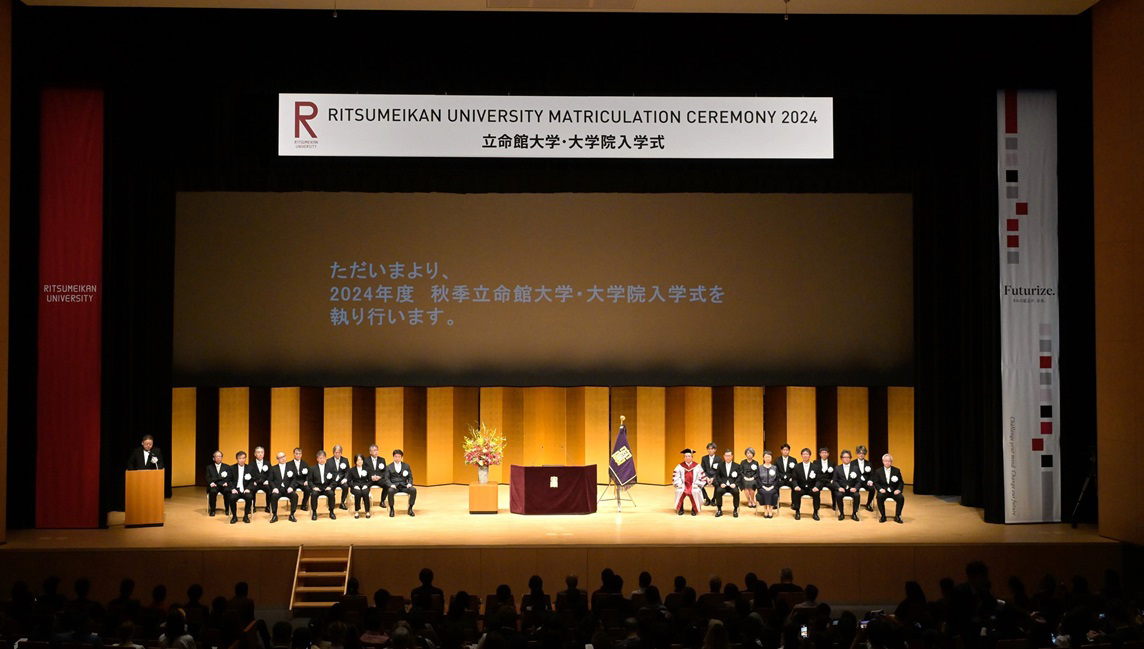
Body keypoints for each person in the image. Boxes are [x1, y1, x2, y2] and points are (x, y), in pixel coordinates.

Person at [268, 450, 299, 523]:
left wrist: (291, 487)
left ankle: (292, 514)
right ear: (278, 459)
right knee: (273, 496)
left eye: (284, 456)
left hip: (288, 489)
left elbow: (294, 479)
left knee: (295, 496)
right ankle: (275, 515)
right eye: (281, 457)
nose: (283, 458)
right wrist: (274, 488)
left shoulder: (291, 467)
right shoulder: (273, 468)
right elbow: (270, 480)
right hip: (278, 489)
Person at [873, 453, 905, 523]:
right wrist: (880, 489)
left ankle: (897, 516)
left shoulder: (896, 470)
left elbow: (901, 482)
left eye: (889, 461)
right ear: (883, 461)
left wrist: (899, 490)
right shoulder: (878, 471)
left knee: (901, 498)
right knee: (879, 497)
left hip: (894, 491)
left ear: (891, 462)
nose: (887, 462)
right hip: (883, 491)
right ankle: (883, 516)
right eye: (886, 461)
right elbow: (876, 482)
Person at [384, 449, 417, 516]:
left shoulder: (406, 466)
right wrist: (390, 485)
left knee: (413, 490)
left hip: (404, 486)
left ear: (401, 457)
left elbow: (410, 477)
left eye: (399, 457)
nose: (397, 458)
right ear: (393, 457)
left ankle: (410, 508)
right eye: (395, 456)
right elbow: (386, 479)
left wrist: (410, 483)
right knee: (390, 491)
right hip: (394, 486)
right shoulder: (389, 467)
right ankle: (392, 509)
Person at [831, 449, 861, 521]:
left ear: (850, 458)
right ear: (841, 458)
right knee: (838, 495)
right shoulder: (837, 468)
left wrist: (855, 488)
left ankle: (854, 513)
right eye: (845, 457)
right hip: (842, 489)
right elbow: (835, 481)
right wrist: (839, 488)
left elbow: (859, 481)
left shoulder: (855, 468)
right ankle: (841, 513)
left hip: (852, 489)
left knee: (857, 495)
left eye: (848, 457)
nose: (846, 459)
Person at [792, 448, 821, 521]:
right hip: (801, 487)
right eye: (804, 454)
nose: (805, 456)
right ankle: (797, 512)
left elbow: (819, 480)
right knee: (796, 492)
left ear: (810, 456)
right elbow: (794, 479)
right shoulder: (797, 466)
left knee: (817, 493)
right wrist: (796, 486)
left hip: (811, 487)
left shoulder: (815, 467)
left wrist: (816, 487)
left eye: (807, 454)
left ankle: (815, 512)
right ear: (801, 455)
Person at [673, 448, 704, 516]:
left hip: (693, 485)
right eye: (686, 456)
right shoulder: (679, 466)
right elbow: (676, 476)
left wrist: (697, 484)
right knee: (679, 491)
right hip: (683, 485)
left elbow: (701, 477)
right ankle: (680, 508)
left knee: (695, 491)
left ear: (692, 457)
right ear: (684, 457)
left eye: (689, 456)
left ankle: (694, 509)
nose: (687, 458)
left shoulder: (697, 466)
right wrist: (678, 484)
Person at [227, 450, 255, 524]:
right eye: (240, 458)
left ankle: (246, 516)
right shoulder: (231, 468)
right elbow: (229, 480)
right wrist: (232, 489)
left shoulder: (250, 468)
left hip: (245, 489)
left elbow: (252, 480)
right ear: (237, 459)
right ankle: (234, 516)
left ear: (245, 459)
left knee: (249, 497)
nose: (242, 460)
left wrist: (248, 488)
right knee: (232, 498)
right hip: (236, 489)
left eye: (243, 458)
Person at [308, 450, 337, 520]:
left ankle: (331, 511)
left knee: (331, 494)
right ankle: (314, 512)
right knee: (314, 494)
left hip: (327, 487)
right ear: (317, 459)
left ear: (326, 458)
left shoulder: (330, 468)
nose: (322, 459)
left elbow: (334, 480)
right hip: (317, 488)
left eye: (323, 458)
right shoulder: (312, 468)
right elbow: (310, 481)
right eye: (320, 458)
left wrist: (330, 487)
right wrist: (314, 487)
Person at [713, 449, 742, 517]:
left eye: (729, 456)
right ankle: (719, 509)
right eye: (726, 456)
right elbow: (717, 476)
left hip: (732, 485)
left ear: (732, 456)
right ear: (724, 456)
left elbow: (740, 476)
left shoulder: (737, 466)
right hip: (723, 485)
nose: (728, 457)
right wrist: (721, 483)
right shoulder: (720, 465)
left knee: (736, 492)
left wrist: (735, 484)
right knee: (718, 491)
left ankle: (735, 509)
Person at [205, 450, 230, 517]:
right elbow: (208, 477)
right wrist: (211, 483)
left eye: (220, 456)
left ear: (222, 458)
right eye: (216, 456)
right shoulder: (209, 467)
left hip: (223, 485)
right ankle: (212, 510)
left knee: (227, 490)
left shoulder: (227, 467)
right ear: (214, 458)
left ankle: (227, 509)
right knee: (212, 491)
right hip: (214, 485)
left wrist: (226, 482)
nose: (218, 458)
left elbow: (229, 477)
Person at [756, 450, 780, 518]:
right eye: (766, 457)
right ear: (763, 458)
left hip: (773, 486)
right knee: (765, 492)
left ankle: (770, 509)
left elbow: (777, 479)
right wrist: (763, 486)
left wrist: (772, 486)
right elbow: (757, 479)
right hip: (762, 486)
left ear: (771, 458)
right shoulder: (760, 468)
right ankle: (766, 509)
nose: (767, 458)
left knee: (771, 493)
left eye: (769, 457)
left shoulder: (774, 468)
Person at [349, 453, 373, 518]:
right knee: (358, 492)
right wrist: (354, 486)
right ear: (355, 461)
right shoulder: (351, 470)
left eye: (361, 460)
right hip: (355, 486)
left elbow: (370, 481)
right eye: (358, 460)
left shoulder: (367, 469)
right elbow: (349, 481)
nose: (360, 461)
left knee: (365, 492)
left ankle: (367, 511)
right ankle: (356, 511)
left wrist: (367, 485)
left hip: (365, 485)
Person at [853, 445, 877, 512]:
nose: (861, 455)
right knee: (855, 490)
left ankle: (868, 504)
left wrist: (870, 480)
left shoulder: (868, 463)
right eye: (860, 453)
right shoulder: (852, 463)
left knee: (872, 489)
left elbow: (872, 474)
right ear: (857, 454)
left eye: (863, 453)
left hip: (866, 482)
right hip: (856, 482)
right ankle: (856, 504)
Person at [250, 446, 273, 514]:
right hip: (255, 483)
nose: (260, 454)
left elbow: (270, 474)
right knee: (252, 490)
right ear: (255, 454)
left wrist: (267, 480)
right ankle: (252, 507)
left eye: (261, 452)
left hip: (264, 483)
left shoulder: (267, 463)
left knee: (269, 489)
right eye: (258, 452)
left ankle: (268, 506)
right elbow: (249, 474)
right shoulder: (251, 463)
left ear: (264, 453)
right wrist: (253, 481)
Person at [775, 443, 798, 511]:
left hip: (790, 479)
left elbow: (795, 471)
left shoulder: (793, 460)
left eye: (787, 450)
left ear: (789, 451)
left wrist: (792, 478)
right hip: (780, 479)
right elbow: (775, 470)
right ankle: (776, 503)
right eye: (784, 450)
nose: (785, 451)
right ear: (781, 451)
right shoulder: (777, 460)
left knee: (794, 486)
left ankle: (794, 503)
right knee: (775, 485)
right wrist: (778, 477)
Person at [366, 443, 388, 509]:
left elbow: (385, 471)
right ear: (370, 452)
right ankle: (366, 501)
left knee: (386, 485)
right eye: (374, 450)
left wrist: (380, 476)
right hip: (370, 479)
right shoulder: (366, 460)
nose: (376, 452)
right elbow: (364, 471)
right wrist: (371, 477)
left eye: (377, 450)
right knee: (365, 485)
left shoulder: (382, 460)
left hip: (379, 479)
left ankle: (382, 501)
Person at [331, 444, 351, 511]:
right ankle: (332, 503)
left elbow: (348, 471)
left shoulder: (345, 460)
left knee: (345, 486)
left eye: (339, 452)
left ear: (341, 453)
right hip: (332, 480)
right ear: (333, 453)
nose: (337, 454)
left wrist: (345, 478)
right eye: (336, 452)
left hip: (342, 480)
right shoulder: (329, 461)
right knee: (331, 488)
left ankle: (342, 502)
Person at [290, 447, 310, 511]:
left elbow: (308, 474)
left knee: (308, 489)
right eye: (296, 453)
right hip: (293, 481)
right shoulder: (289, 464)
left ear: (301, 454)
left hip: (302, 481)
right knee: (291, 491)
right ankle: (293, 505)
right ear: (294, 454)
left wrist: (306, 480)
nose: (298, 455)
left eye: (299, 454)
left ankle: (303, 505)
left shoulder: (305, 463)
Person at [815, 447, 835, 512]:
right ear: (820, 454)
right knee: (816, 489)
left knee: (834, 487)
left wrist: (832, 479)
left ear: (828, 454)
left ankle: (834, 504)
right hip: (819, 480)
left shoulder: (832, 463)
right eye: (822, 453)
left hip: (828, 480)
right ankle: (817, 505)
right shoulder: (815, 462)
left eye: (825, 453)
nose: (824, 454)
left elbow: (835, 473)